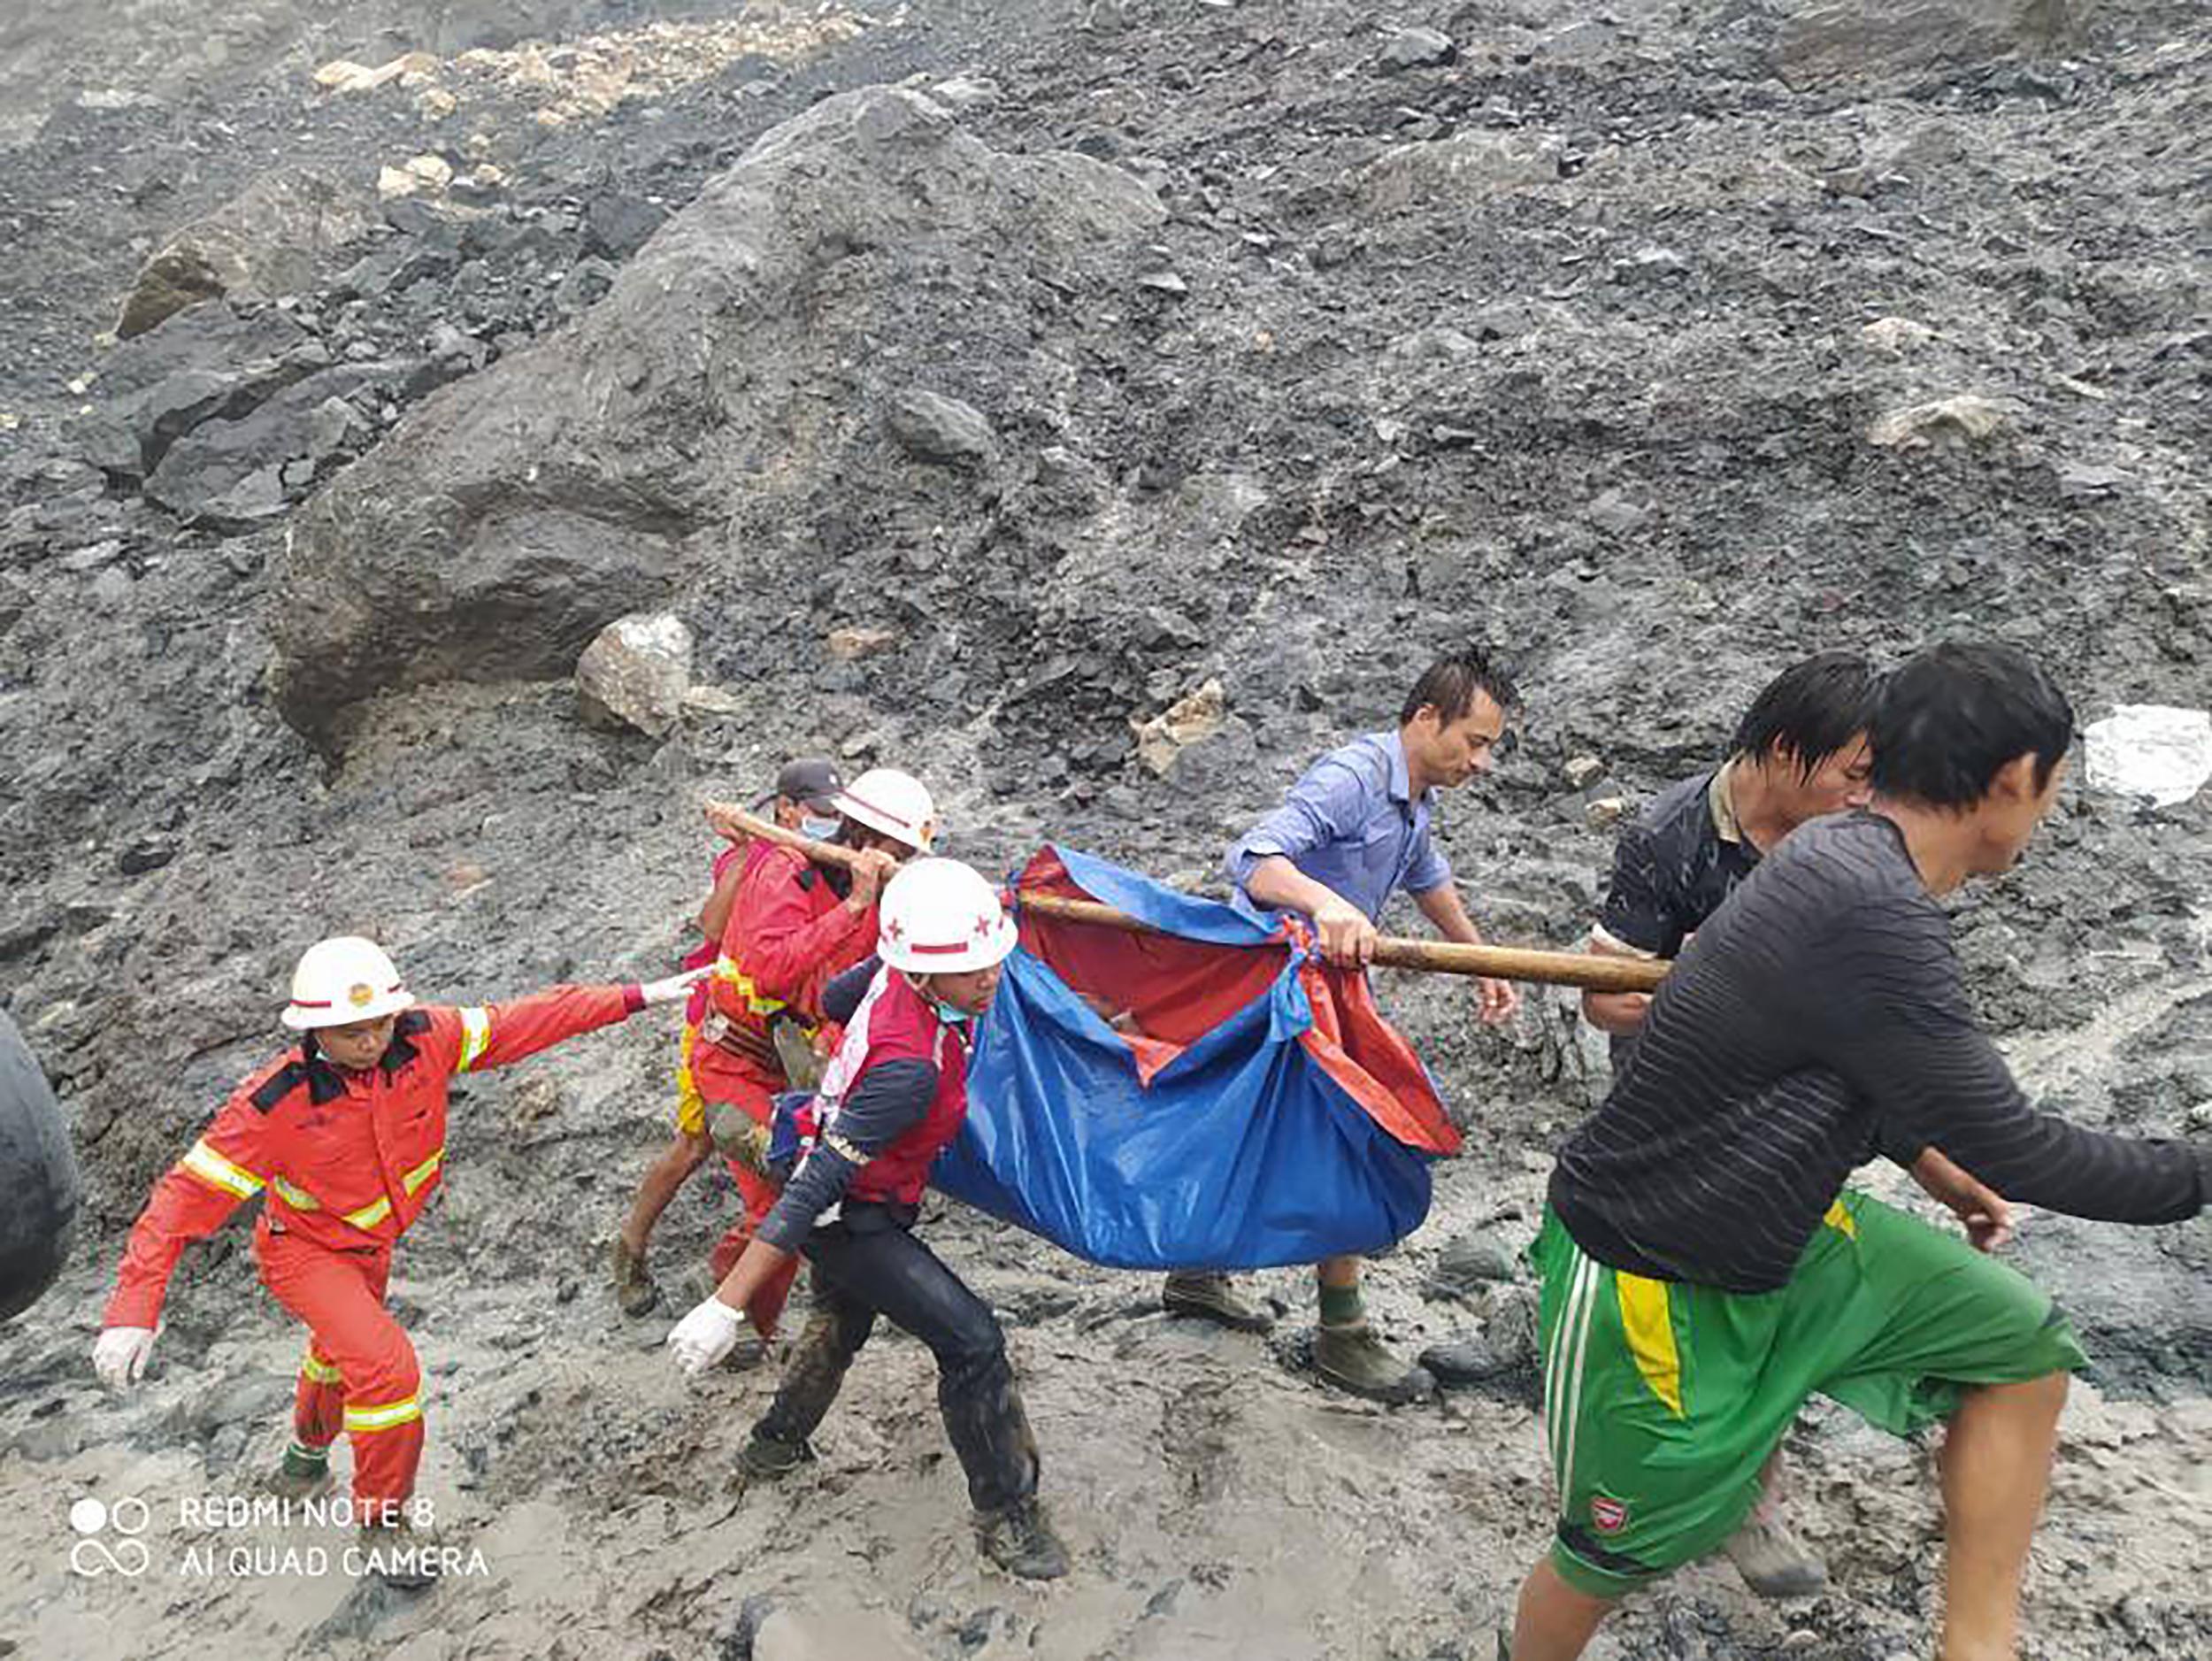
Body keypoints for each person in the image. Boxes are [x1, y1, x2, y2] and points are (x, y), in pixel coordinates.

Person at [1508, 642, 2209, 1661]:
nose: (2047, 810)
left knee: (2016, 1346)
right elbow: (2028, 1150)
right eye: (2053, 786)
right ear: (2016, 779)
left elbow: (1840, 1061)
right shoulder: (1870, 904)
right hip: (1645, 1268)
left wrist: (1930, 1161)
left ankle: (1975, 1645)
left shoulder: (1841, 859)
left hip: (1781, 1225)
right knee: (1606, 1554)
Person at [92, 936, 702, 1586]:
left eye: (380, 1023)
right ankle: (384, 1522)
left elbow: (524, 1019)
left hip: (372, 1244)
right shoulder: (271, 1105)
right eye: (352, 1031)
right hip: (303, 1250)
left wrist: (636, 997)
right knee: (387, 1370)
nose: (372, 1041)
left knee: (339, 1353)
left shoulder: (425, 1036)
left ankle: (303, 1461)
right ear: (314, 1029)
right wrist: (133, 1311)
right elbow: (180, 1201)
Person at [667, 858, 1071, 1580]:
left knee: (844, 1321)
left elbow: (836, 992)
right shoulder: (908, 1066)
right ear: (921, 973)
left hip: (855, 1187)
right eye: (972, 968)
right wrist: (725, 1305)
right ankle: (1008, 1518)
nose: (991, 978)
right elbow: (819, 1179)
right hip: (848, 1211)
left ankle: (773, 1444)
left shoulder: (893, 975)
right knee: (973, 1341)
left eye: (991, 960)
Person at [1576, 650, 1879, 1597]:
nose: (1864, 793)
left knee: (1766, 1292)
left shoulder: (1855, 836)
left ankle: (1754, 1497)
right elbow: (1603, 1001)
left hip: (1791, 1107)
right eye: (1853, 771)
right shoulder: (1669, 836)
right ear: (1788, 752)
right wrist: (1700, 975)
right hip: (1673, 1108)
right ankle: (1625, 1490)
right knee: (1661, 1308)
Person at [1169, 646, 1524, 1403]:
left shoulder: (1415, 798)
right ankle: (1343, 1333)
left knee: (1259, 1136)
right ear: (1428, 718)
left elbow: (1430, 882)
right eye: (1476, 740)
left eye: (1490, 745)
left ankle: (1197, 1273)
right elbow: (1256, 859)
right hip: (1270, 989)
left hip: (1324, 992)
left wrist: (1481, 958)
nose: (1482, 761)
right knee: (1347, 1140)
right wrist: (1326, 904)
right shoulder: (1355, 776)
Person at [685, 766, 934, 1342]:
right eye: (896, 849)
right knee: (781, 1196)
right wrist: (851, 907)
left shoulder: (869, 893)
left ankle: (789, 1307)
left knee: (817, 1188)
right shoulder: (784, 871)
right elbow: (772, 969)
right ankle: (742, 1314)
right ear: (865, 836)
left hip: (799, 1061)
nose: (900, 860)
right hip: (736, 1062)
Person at [611, 757, 845, 1317]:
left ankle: (727, 1286)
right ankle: (633, 1251)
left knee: (753, 1153)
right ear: (787, 809)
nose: (830, 825)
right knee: (696, 1145)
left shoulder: (823, 865)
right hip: (723, 1024)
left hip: (780, 1036)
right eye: (820, 814)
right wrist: (748, 854)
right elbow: (712, 928)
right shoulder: (757, 860)